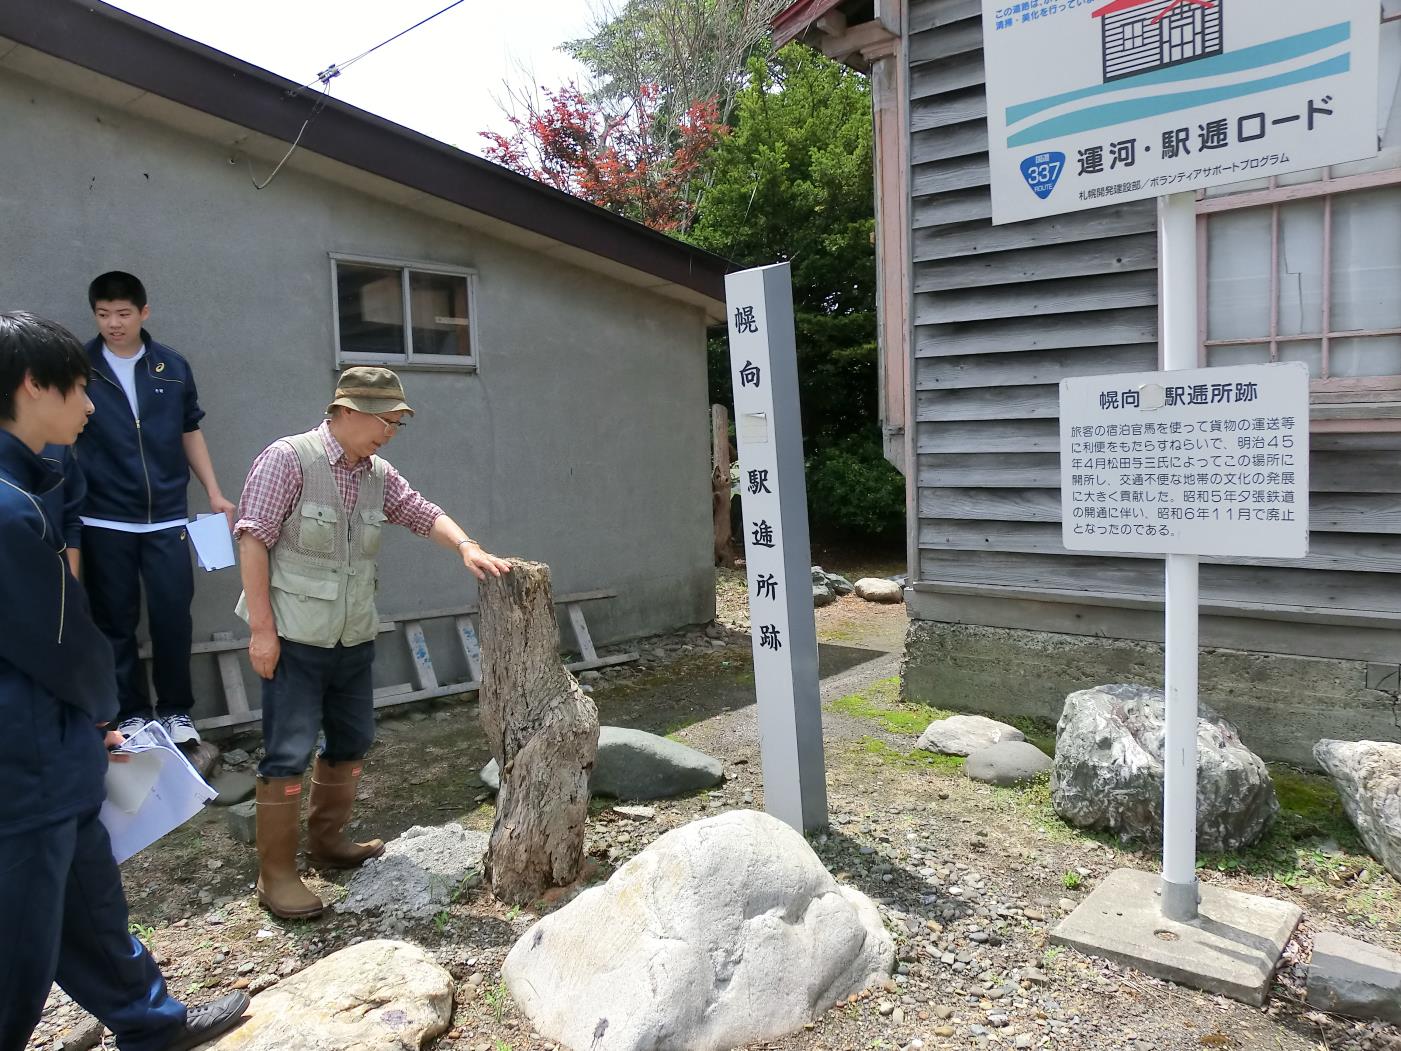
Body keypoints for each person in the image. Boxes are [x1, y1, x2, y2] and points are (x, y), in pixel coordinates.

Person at [0, 311, 247, 1051]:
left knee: (89, 903)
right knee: (18, 947)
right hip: (22, 761)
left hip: (53, 748)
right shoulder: (8, 510)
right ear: (33, 386)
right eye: (78, 389)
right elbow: (55, 640)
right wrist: (100, 707)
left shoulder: (31, 480)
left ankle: (150, 1022)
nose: (90, 406)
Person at [234, 366, 511, 919]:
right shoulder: (289, 459)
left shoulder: (377, 474)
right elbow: (252, 538)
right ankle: (277, 875)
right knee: (287, 751)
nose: (389, 432)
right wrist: (262, 631)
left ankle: (328, 841)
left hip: (352, 636)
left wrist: (465, 546)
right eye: (384, 421)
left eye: (397, 424)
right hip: (293, 637)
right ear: (347, 410)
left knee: (353, 739)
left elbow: (420, 511)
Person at [77, 272, 235, 747]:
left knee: (172, 616)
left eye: (123, 314)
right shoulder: (78, 367)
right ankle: (129, 713)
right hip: (103, 517)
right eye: (103, 315)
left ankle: (174, 711)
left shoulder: (172, 366)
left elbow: (190, 430)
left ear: (143, 313)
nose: (113, 324)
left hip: (168, 515)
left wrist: (214, 492)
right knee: (114, 620)